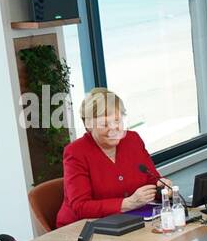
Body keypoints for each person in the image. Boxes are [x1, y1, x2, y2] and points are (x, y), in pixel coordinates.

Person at [57, 88, 169, 228]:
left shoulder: (132, 140)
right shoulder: (75, 152)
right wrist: (128, 203)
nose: (114, 128)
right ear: (88, 125)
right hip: (82, 230)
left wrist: (162, 188)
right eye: (105, 124)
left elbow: (151, 179)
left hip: (129, 223)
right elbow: (81, 207)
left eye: (117, 120)